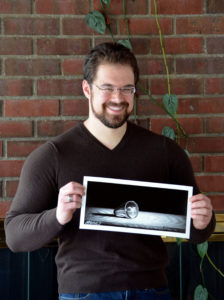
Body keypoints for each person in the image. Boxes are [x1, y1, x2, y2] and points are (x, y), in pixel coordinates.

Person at [4, 42, 215, 300]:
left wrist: (203, 219)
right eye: (107, 88)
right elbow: (15, 235)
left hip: (152, 291)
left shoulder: (165, 151)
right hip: (84, 294)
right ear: (86, 89)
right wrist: (57, 215)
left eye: (127, 89)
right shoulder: (53, 155)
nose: (118, 98)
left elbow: (197, 229)